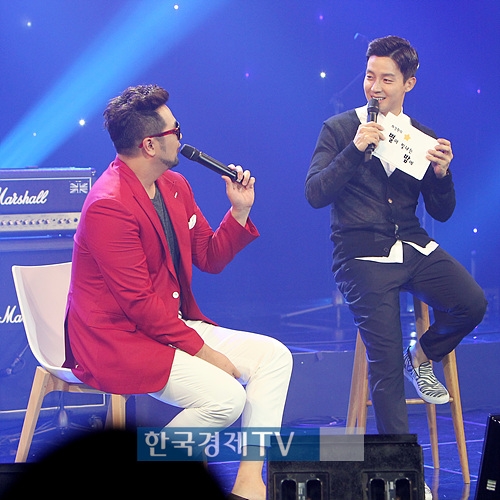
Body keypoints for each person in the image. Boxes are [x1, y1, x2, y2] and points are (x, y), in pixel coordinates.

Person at [64, 84, 293, 500]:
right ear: (150, 144)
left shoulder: (175, 186)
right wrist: (207, 354)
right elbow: (139, 305)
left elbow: (209, 257)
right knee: (225, 399)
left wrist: (239, 211)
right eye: (175, 130)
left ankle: (248, 483)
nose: (182, 137)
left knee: (274, 357)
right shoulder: (108, 205)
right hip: (117, 339)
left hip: (166, 324)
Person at [305, 36, 487, 437]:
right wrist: (354, 149)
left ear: (408, 83)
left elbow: (442, 211)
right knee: (384, 364)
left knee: (473, 303)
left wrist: (441, 174)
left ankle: (420, 356)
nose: (375, 87)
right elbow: (315, 193)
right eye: (370, 76)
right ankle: (400, 465)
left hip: (412, 245)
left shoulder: (420, 137)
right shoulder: (340, 129)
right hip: (361, 254)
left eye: (387, 79)